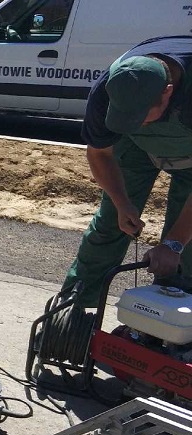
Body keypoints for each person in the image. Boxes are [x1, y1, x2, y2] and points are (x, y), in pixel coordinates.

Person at [64, 36, 192, 307]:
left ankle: (168, 324)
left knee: (186, 247)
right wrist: (122, 203)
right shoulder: (109, 87)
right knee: (111, 224)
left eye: (140, 117)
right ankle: (72, 314)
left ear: (167, 92)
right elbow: (99, 153)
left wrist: (174, 244)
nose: (137, 124)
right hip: (134, 149)